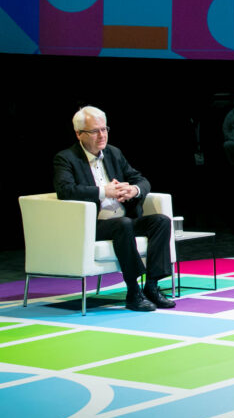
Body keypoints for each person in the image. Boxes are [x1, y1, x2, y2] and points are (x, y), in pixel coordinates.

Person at [53, 106, 174, 312]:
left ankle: (152, 286)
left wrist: (133, 190)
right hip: (94, 225)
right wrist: (103, 191)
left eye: (104, 129)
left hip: (123, 220)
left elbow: (140, 179)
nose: (102, 135)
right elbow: (65, 190)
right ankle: (133, 291)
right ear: (79, 134)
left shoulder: (113, 153)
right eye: (94, 131)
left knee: (161, 221)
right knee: (123, 224)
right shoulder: (66, 158)